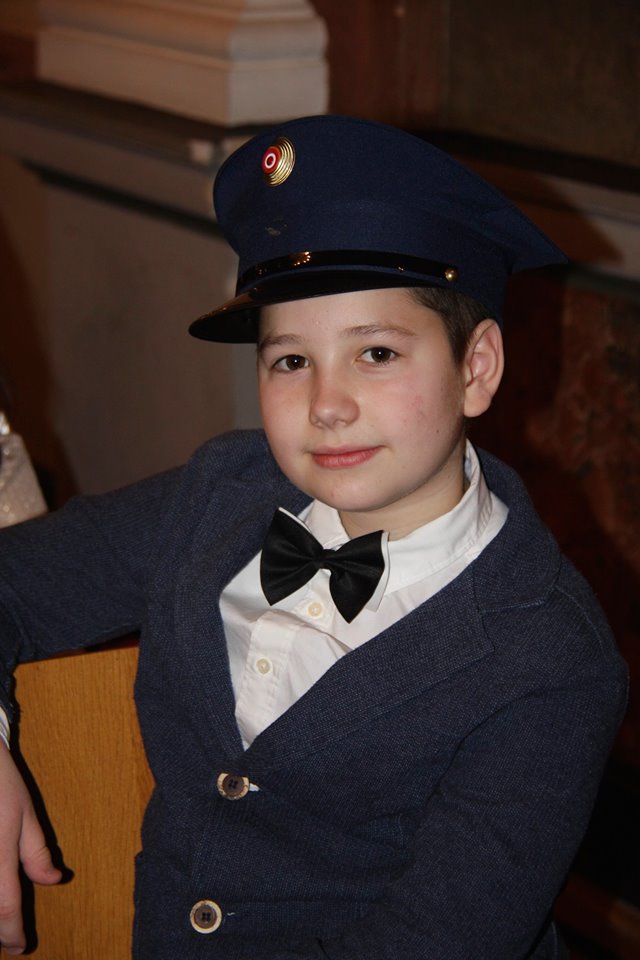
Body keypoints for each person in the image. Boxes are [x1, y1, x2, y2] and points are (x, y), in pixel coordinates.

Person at [0, 115, 628, 959]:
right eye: (291, 361)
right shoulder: (217, 496)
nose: (327, 405)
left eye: (376, 353)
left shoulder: (549, 657)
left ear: (476, 368)